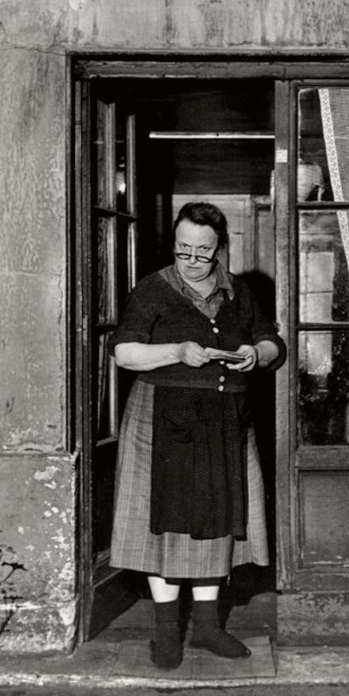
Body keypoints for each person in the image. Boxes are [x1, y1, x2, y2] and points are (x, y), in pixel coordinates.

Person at [108, 201, 286, 670]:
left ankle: (207, 627)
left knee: (217, 524)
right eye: (183, 249)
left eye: (202, 252)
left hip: (225, 419)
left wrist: (256, 353)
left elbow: (274, 342)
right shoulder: (152, 290)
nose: (191, 259)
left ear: (219, 249)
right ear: (174, 244)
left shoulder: (240, 292)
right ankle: (166, 632)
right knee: (164, 527)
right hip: (161, 417)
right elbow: (124, 353)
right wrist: (176, 351)